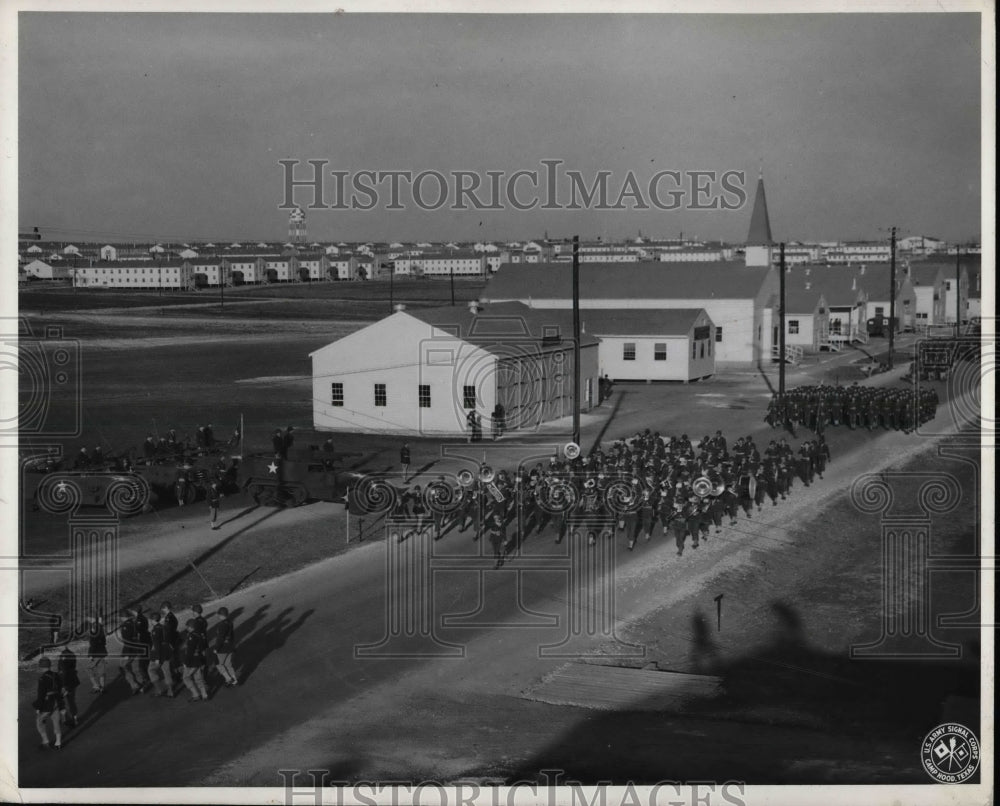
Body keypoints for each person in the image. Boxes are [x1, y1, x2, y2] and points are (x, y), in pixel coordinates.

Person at [33, 658, 64, 750]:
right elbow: (60, 688)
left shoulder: (42, 679)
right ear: (49, 666)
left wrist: (38, 707)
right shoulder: (56, 675)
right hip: (57, 702)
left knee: (39, 722)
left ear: (41, 667)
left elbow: (41, 694)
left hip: (47, 704)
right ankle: (58, 743)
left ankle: (45, 741)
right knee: (56, 722)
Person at [181, 619, 210, 702]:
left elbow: (190, 651)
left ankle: (196, 694)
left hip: (192, 661)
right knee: (199, 678)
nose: (186, 628)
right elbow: (203, 648)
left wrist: (185, 662)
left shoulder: (191, 636)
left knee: (186, 677)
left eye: (187, 627)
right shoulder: (201, 634)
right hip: (199, 659)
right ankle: (205, 695)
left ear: (190, 627)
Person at [119, 609, 146, 695]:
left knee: (123, 668)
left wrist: (126, 654)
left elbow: (127, 641)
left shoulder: (125, 626)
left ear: (123, 617)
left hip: (129, 650)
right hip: (137, 648)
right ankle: (142, 685)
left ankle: (134, 685)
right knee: (136, 668)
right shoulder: (134, 623)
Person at [147, 612, 174, 697]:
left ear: (152, 620)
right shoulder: (164, 627)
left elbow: (157, 644)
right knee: (167, 672)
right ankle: (170, 691)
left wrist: (157, 658)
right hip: (166, 652)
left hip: (158, 654)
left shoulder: (155, 630)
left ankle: (159, 690)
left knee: (151, 670)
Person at [213, 607, 239, 687]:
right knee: (228, 665)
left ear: (220, 615)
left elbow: (220, 638)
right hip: (230, 647)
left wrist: (216, 648)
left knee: (218, 664)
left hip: (223, 648)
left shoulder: (221, 625)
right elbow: (232, 635)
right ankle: (234, 680)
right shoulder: (230, 622)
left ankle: (228, 679)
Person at [57, 646, 80, 728]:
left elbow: (64, 672)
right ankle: (75, 718)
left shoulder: (63, 656)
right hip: (73, 680)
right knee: (71, 701)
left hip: (66, 683)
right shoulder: (71, 654)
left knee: (60, 701)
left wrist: (63, 686)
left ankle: (67, 719)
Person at [85, 613, 107, 694]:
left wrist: (90, 655)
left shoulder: (94, 633)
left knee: (88, 669)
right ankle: (102, 687)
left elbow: (93, 645)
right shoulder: (101, 631)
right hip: (102, 653)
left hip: (95, 654)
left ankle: (96, 686)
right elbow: (104, 643)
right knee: (102, 672)